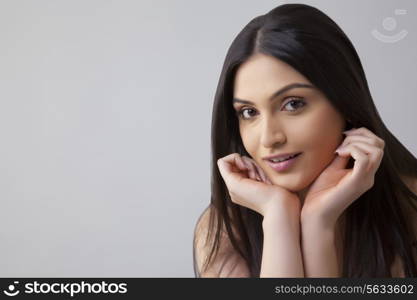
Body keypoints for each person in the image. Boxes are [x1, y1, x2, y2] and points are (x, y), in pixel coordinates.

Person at [192, 3, 417, 277]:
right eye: (249, 112)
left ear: (344, 102)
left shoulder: (409, 209)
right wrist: (278, 219)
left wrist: (317, 225)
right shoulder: (225, 231)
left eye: (293, 104)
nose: (269, 138)